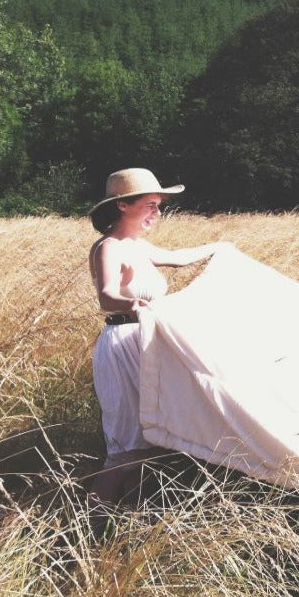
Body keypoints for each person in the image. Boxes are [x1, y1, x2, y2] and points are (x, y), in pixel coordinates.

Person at [87, 168, 226, 506]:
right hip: (122, 344)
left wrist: (220, 248)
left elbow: (178, 259)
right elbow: (106, 296)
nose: (156, 213)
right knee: (126, 446)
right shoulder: (110, 247)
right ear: (123, 205)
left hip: (145, 341)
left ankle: (126, 522)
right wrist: (138, 305)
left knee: (149, 441)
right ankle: (88, 522)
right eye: (150, 205)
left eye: (158, 206)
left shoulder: (138, 246)